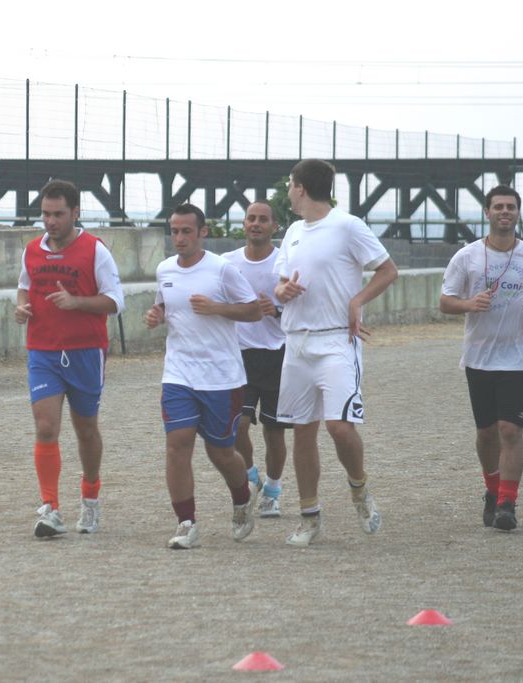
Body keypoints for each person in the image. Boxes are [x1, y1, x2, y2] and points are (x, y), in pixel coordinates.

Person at [273, 159, 398, 547]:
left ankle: (359, 488)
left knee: (339, 427)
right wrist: (282, 292)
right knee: (302, 431)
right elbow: (280, 284)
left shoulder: (348, 226)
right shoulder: (293, 231)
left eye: (290, 185)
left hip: (336, 341)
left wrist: (357, 300)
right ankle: (309, 518)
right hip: (297, 343)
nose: (288, 192)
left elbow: (387, 270)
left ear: (300, 188)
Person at [144, 203, 264, 549]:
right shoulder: (165, 269)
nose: (179, 238)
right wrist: (156, 314)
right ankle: (186, 523)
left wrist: (217, 308)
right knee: (177, 445)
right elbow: (164, 303)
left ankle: (242, 497)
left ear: (202, 233)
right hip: (178, 373)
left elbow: (255, 311)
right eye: (174, 231)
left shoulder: (221, 270)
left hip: (221, 377)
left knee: (220, 453)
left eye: (186, 231)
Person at [14, 179, 125, 538]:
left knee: (86, 429)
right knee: (46, 426)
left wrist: (77, 303)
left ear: (75, 213)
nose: (50, 221)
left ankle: (90, 496)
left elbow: (116, 301)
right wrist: (21, 307)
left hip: (85, 351)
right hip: (43, 350)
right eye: (46, 214)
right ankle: (51, 507)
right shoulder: (32, 250)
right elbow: (24, 286)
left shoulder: (95, 250)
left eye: (58, 214)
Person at [439, 185, 523, 532]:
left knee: (510, 429)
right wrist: (469, 304)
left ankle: (507, 504)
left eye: (510, 207)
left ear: (518, 213)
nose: (504, 212)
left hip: (520, 358)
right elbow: (445, 301)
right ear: (487, 212)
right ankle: (492, 491)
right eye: (498, 207)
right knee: (486, 434)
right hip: (479, 357)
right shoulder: (466, 257)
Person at [222, 201, 290, 518]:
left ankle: (272, 492)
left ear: (274, 227)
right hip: (240, 356)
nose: (256, 224)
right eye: (251, 218)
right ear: (244, 224)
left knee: (274, 432)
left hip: (279, 355)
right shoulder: (227, 263)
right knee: (238, 426)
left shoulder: (284, 262)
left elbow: (305, 308)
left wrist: (276, 310)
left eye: (263, 219)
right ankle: (251, 475)